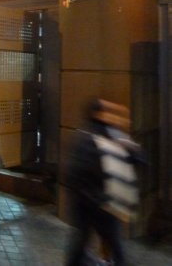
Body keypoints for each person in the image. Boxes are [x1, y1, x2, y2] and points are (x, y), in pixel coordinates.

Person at [65, 98, 143, 266]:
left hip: (98, 204)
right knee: (104, 244)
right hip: (98, 204)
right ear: (98, 114)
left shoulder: (109, 135)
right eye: (108, 111)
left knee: (88, 243)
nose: (113, 116)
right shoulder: (92, 138)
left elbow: (138, 159)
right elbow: (77, 173)